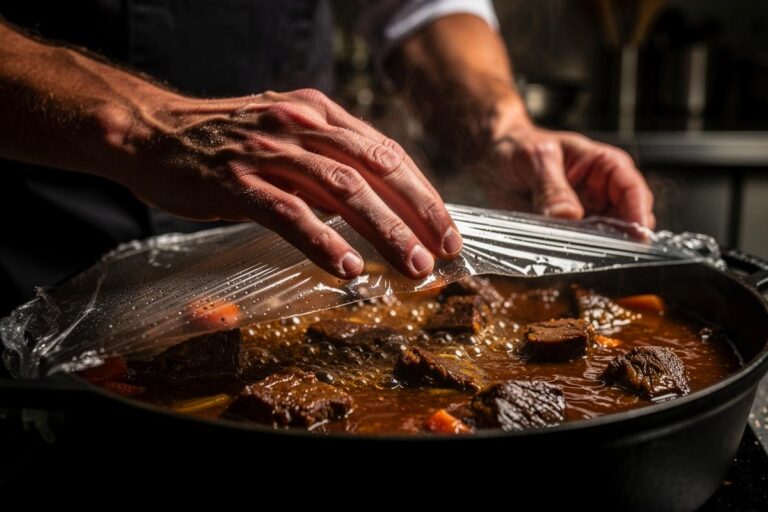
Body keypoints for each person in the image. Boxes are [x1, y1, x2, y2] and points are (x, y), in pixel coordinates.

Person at [0, 1, 654, 315]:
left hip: (292, 257)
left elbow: (419, 9)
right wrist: (134, 124)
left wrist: (503, 131)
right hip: (30, 246)